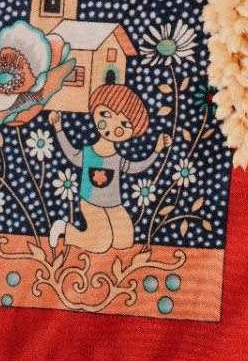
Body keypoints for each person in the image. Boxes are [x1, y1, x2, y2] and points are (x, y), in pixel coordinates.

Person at [48, 83, 171, 253]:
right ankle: (65, 229)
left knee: (124, 241)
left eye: (124, 124)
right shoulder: (88, 153)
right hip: (90, 202)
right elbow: (71, 154)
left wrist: (157, 150)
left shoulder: (117, 159)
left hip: (113, 204)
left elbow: (137, 167)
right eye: (105, 114)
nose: (113, 126)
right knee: (101, 243)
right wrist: (59, 129)